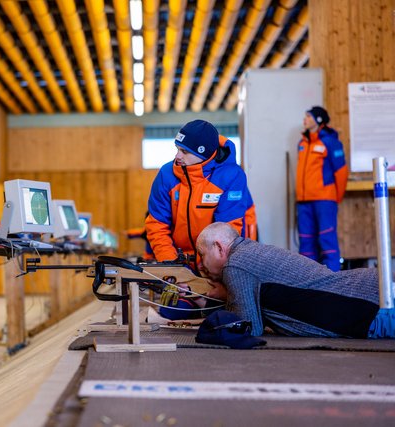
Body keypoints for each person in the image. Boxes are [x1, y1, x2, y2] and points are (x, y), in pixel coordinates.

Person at [196, 222, 394, 339]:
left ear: (219, 248)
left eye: (202, 255)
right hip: (372, 291)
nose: (201, 265)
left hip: (370, 312)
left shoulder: (235, 265)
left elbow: (248, 328)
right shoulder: (249, 251)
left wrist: (210, 303)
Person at [145, 119, 257, 269]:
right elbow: (157, 225)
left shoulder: (231, 176)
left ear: (203, 153)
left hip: (217, 263)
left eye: (184, 151)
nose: (177, 156)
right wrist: (172, 266)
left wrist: (208, 270)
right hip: (177, 258)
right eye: (177, 149)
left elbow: (227, 235)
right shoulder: (166, 174)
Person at [296, 106, 349, 271]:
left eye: (308, 117)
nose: (304, 120)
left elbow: (341, 173)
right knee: (306, 243)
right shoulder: (302, 143)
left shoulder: (330, 142)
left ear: (318, 120)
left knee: (327, 241)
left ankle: (333, 281)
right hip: (304, 202)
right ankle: (307, 281)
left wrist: (334, 198)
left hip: (324, 201)